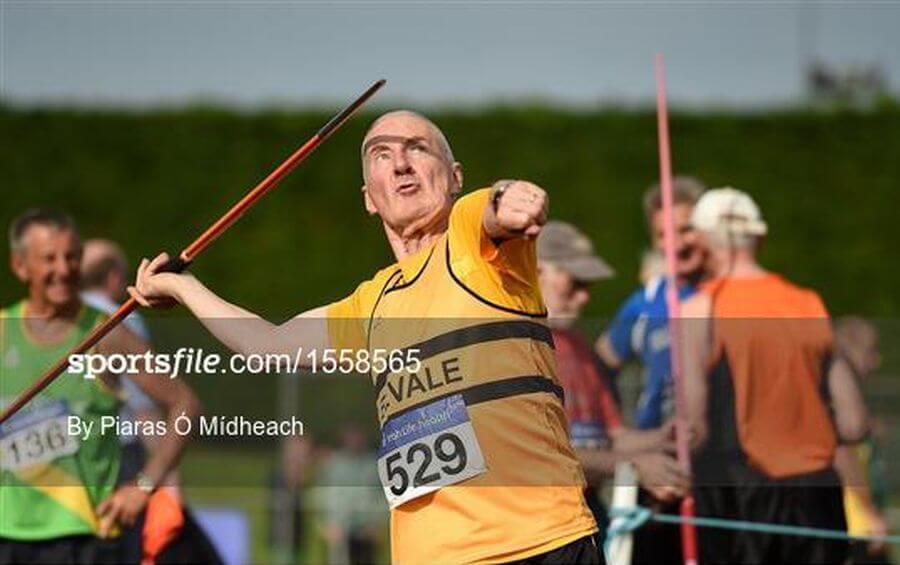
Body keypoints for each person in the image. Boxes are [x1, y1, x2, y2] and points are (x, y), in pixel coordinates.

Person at [128, 110, 603, 563]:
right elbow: (267, 345)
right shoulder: (371, 303)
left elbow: (495, 207)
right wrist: (181, 286)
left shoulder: (472, 243)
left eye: (418, 149)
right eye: (382, 154)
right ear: (369, 198)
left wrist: (513, 196)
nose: (400, 163)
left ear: (455, 177)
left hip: (539, 542)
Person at [0, 210, 200, 564]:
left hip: (86, 539)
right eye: (49, 258)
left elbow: (185, 403)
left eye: (72, 256)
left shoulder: (106, 335)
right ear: (20, 266)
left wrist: (143, 487)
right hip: (7, 537)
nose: (63, 269)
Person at [681, 187, 864, 564]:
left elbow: (693, 427)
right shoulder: (810, 302)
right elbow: (854, 424)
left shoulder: (701, 308)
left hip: (745, 498)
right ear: (759, 237)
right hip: (821, 497)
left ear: (700, 241)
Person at [536, 221, 688, 540]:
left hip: (589, 512)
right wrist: (634, 464)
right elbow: (543, 457)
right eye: (573, 283)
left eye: (589, 286)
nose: (583, 298)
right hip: (540, 523)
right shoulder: (515, 350)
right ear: (535, 272)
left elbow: (611, 435)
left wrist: (665, 437)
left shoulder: (580, 347)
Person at [594, 176, 706, 564]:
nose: (676, 243)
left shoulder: (725, 294)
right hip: (657, 466)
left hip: (714, 469)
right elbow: (600, 363)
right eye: (664, 234)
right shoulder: (646, 302)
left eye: (686, 229)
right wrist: (613, 429)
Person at [833, 317, 892, 564]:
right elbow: (841, 453)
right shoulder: (840, 399)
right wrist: (870, 515)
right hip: (854, 527)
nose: (876, 361)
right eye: (870, 351)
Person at [317, 425, 384, 565]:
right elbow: (321, 494)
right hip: (339, 529)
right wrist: (326, 524)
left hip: (367, 530)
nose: (354, 440)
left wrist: (378, 523)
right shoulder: (333, 464)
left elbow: (382, 495)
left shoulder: (373, 464)